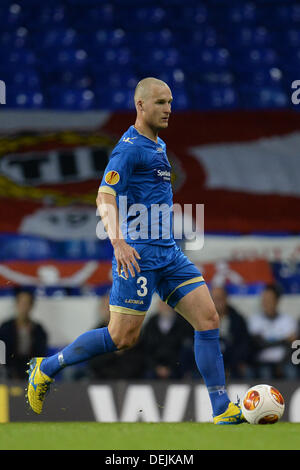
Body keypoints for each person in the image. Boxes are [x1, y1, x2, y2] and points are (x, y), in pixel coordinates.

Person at [27, 77, 244, 424]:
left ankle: (221, 409)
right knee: (121, 337)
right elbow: (104, 196)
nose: (169, 109)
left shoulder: (158, 145)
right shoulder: (128, 148)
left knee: (209, 318)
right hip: (138, 256)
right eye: (160, 102)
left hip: (169, 254)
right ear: (140, 105)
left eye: (170, 102)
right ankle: (46, 368)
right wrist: (118, 241)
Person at [88, 290, 144, 380]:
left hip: (132, 380)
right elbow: (93, 362)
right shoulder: (94, 334)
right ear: (100, 310)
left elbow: (140, 360)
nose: (109, 311)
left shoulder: (132, 330)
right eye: (106, 307)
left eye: (111, 307)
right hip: (102, 380)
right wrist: (114, 352)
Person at [247, 283, 298, 379]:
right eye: (264, 300)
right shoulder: (254, 320)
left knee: (292, 372)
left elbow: (293, 346)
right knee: (264, 373)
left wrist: (280, 363)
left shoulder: (288, 320)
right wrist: (284, 340)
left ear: (277, 301)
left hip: (284, 361)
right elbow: (259, 344)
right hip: (261, 362)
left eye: (270, 300)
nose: (267, 303)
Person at [140, 299, 194, 380]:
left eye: (167, 304)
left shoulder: (184, 323)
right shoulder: (151, 323)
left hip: (177, 369)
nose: (165, 307)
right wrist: (156, 367)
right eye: (162, 304)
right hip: (153, 369)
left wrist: (172, 367)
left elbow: (185, 350)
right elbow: (145, 348)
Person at [0, 288, 47, 379]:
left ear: (31, 306)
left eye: (26, 303)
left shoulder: (38, 330)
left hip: (30, 368)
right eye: (21, 303)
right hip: (9, 367)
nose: (23, 307)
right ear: (16, 304)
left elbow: (41, 353)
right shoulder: (6, 327)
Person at [210, 285, 252, 379]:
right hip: (209, 364)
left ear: (226, 299)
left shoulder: (237, 319)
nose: (217, 302)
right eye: (214, 299)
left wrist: (238, 363)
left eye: (219, 299)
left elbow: (244, 343)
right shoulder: (203, 320)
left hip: (233, 365)